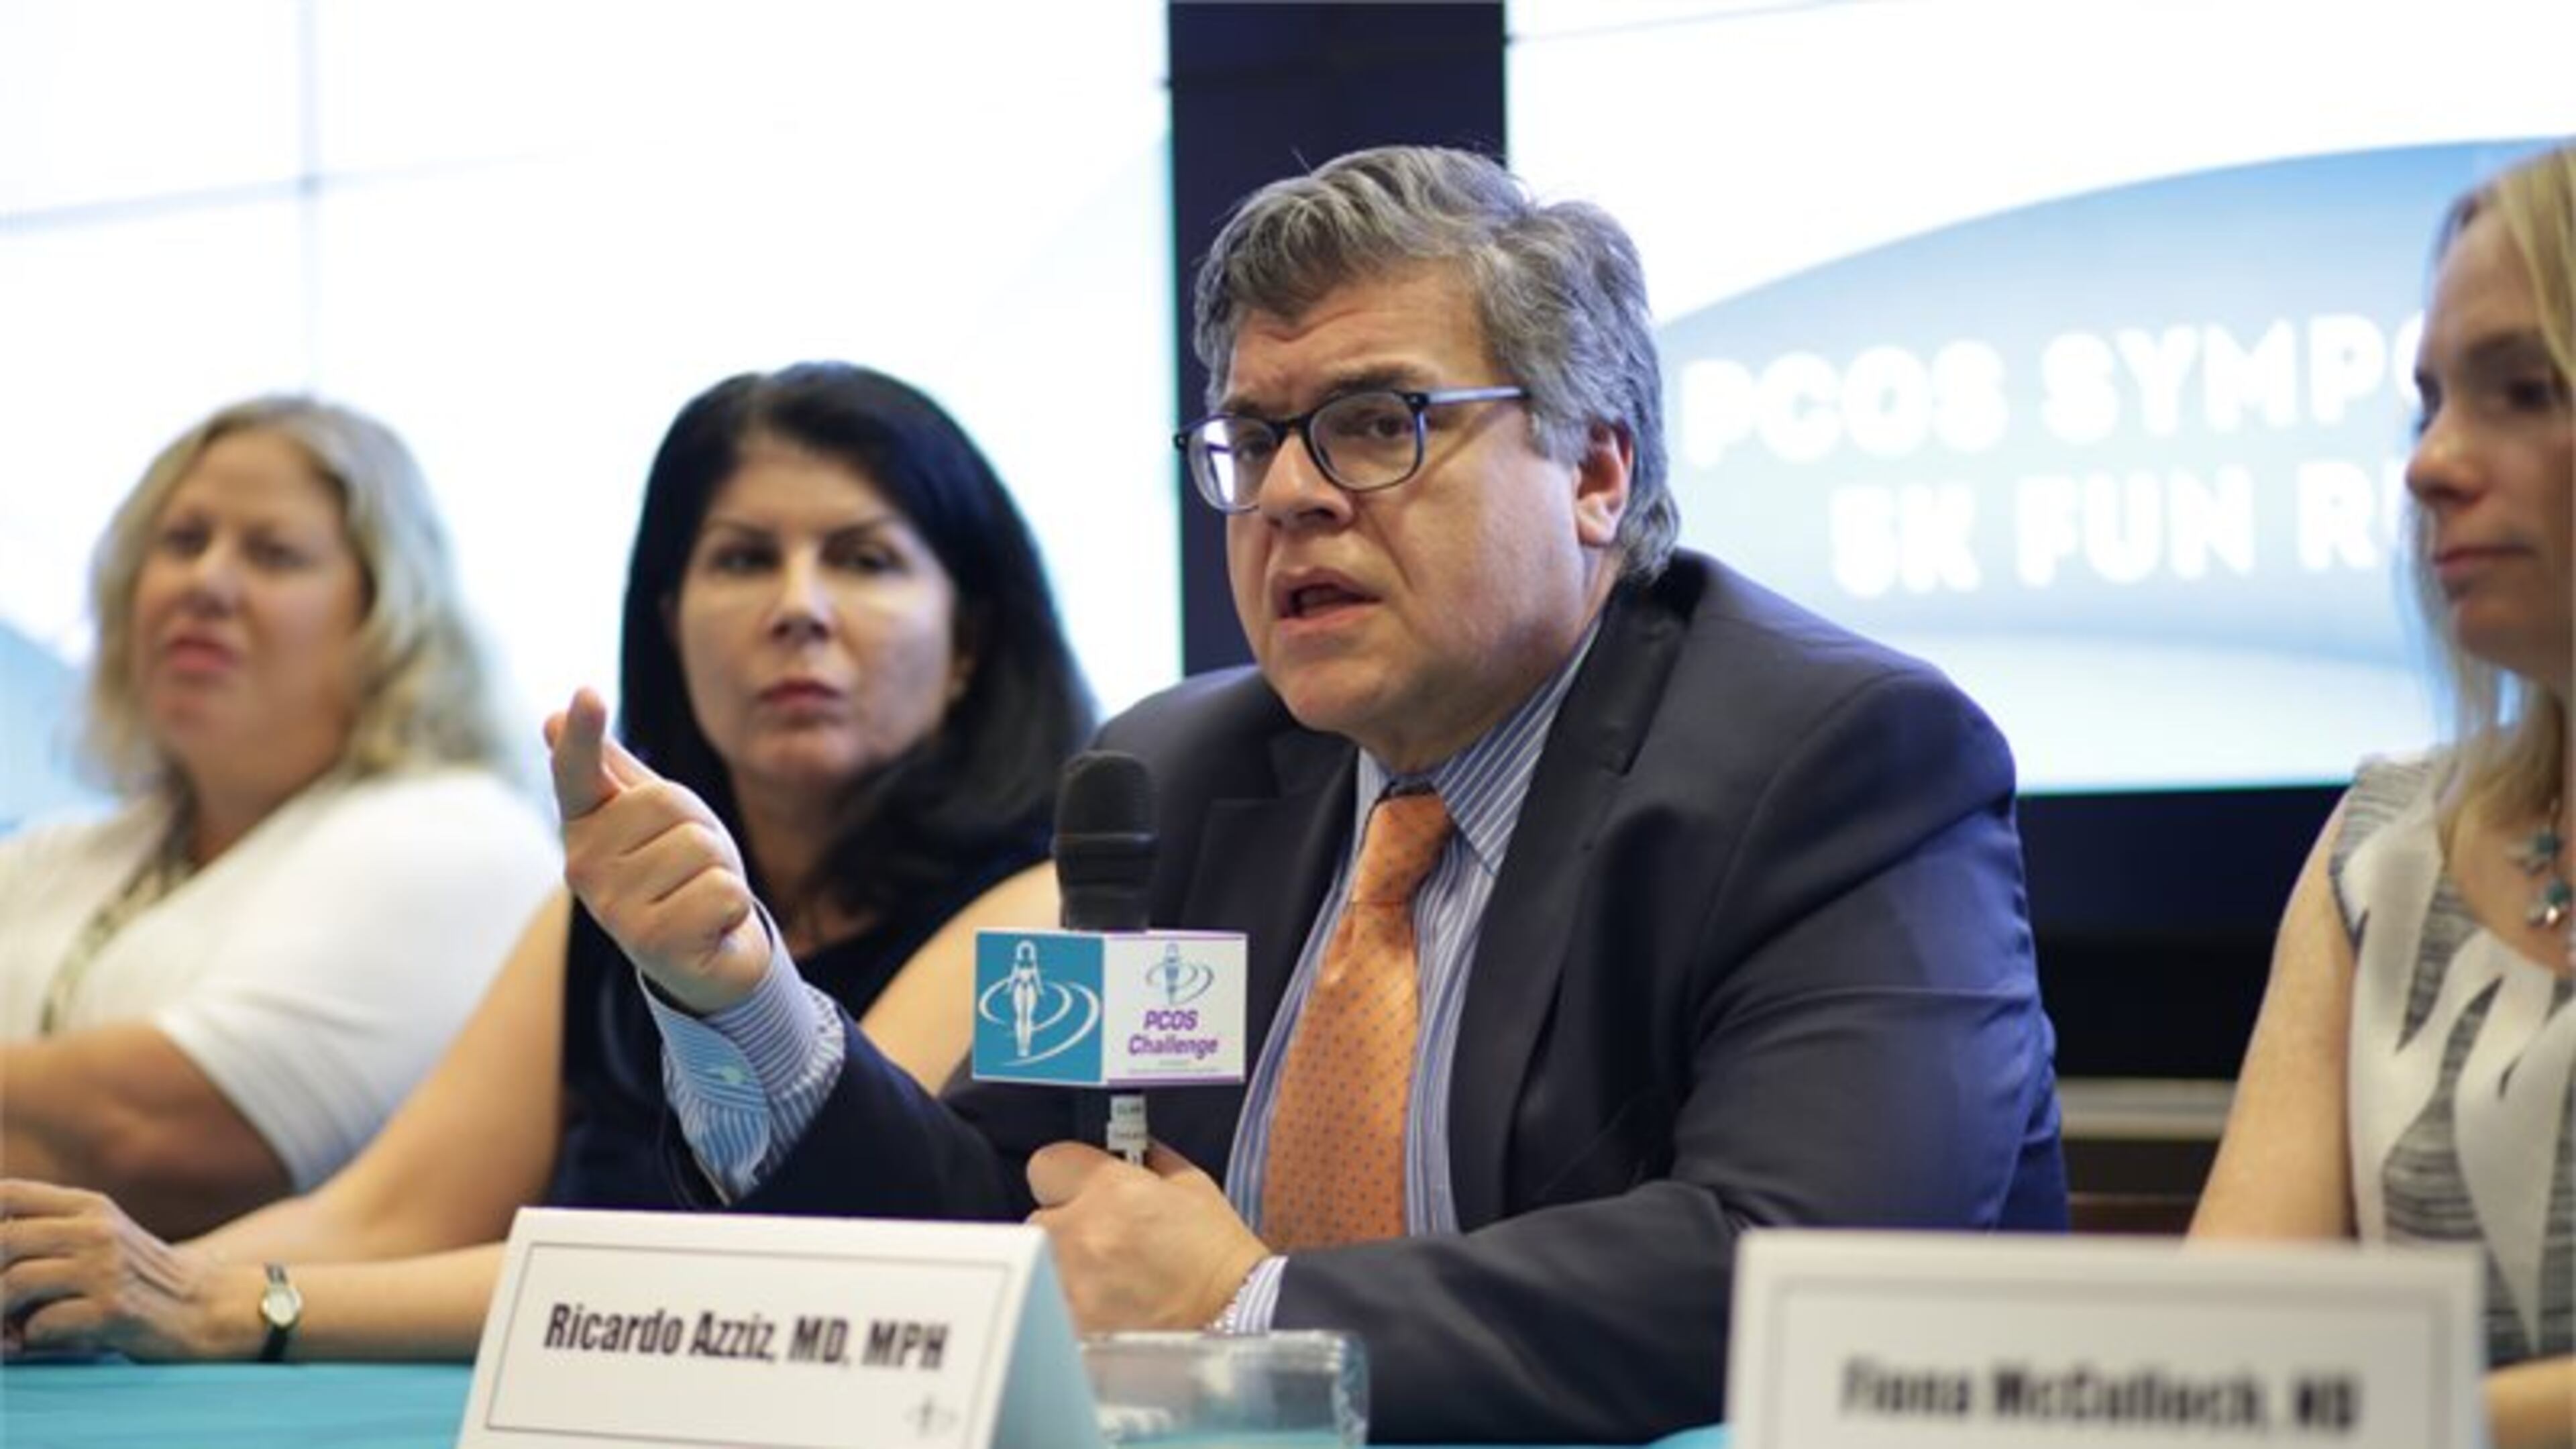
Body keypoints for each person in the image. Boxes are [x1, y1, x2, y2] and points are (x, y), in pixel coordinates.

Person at [557, 147, 2066, 1444]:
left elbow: (1807, 1267)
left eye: (1377, 424)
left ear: (1596, 472)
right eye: (1257, 438)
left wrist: (1247, 1307)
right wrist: (743, 1002)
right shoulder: (1177, 778)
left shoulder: (1836, 759)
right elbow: (998, 1225)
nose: (1289, 495)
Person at [0, 364, 1093, 1362]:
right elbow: (387, 1215)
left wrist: (234, 1303)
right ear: (668, 623)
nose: (796, 609)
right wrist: (105, 1281)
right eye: (743, 558)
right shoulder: (603, 910)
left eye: (864, 561)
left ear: (969, 646)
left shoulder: (1039, 911)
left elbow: (790, 1264)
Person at [2192, 144, 2575, 1449]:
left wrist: (2392, 1424)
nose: (2431, 466)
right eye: (2430, 404)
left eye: (2524, 391)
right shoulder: (2388, 846)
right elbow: (2223, 1364)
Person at [0, 396, 557, 1240]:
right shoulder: (61, 856)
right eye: (183, 542)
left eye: (275, 554)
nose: (208, 583)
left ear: (385, 619)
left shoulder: (455, 835)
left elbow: (168, 1142)